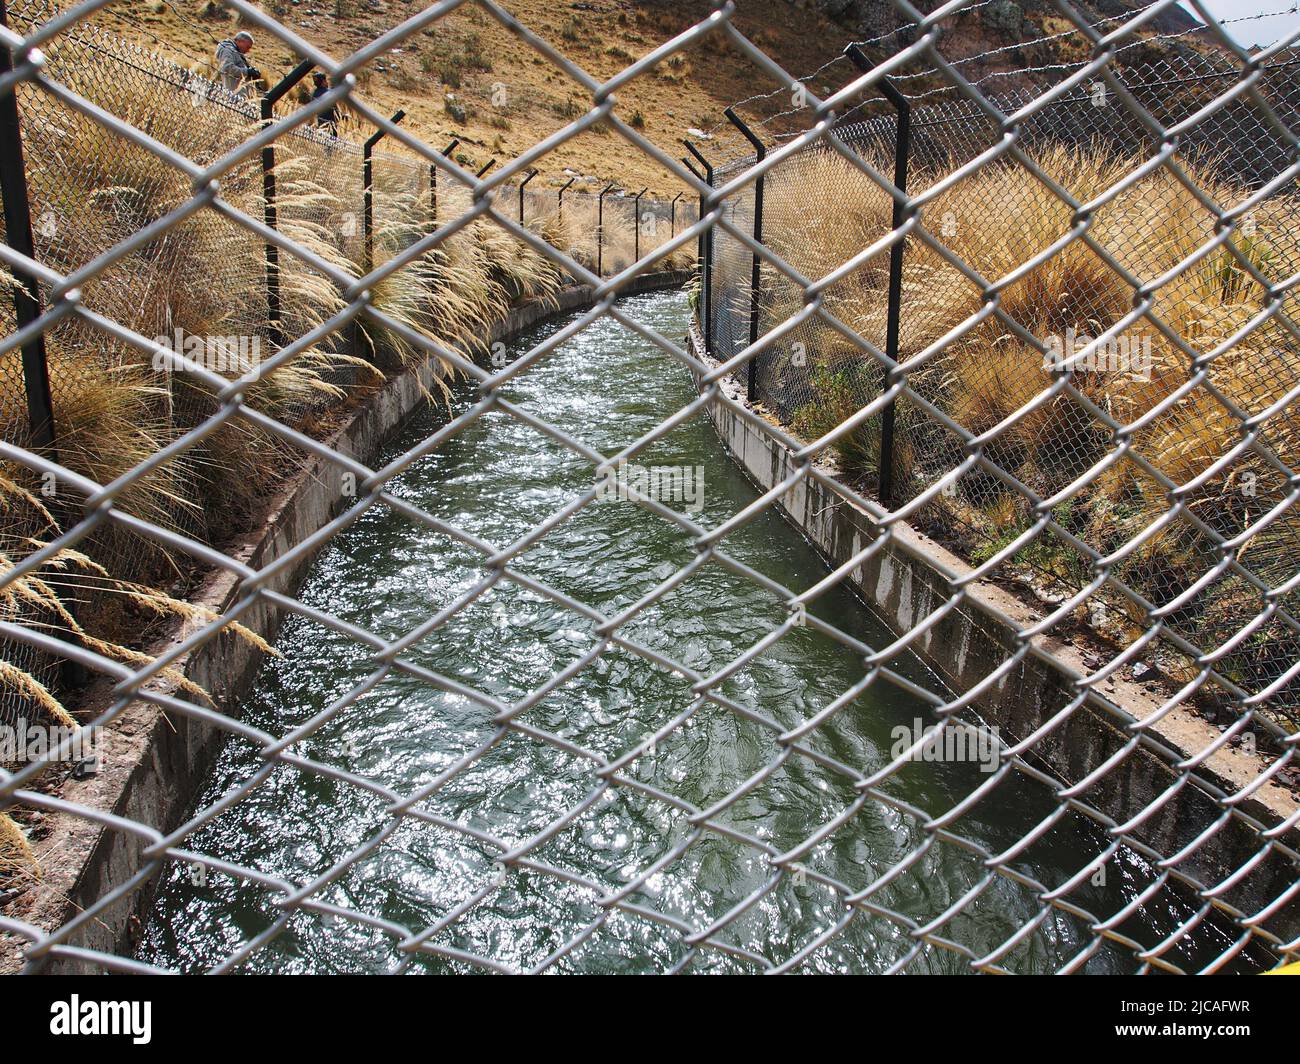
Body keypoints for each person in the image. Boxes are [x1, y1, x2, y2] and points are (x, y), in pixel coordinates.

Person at [215, 31, 260, 95]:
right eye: (248, 47)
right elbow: (227, 68)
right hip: (232, 93)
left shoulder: (236, 51)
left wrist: (251, 72)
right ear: (240, 41)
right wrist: (248, 72)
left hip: (237, 92)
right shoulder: (227, 50)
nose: (248, 50)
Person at [309, 71, 339, 135]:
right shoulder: (330, 93)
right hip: (331, 126)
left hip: (320, 125)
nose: (327, 82)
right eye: (326, 80)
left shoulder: (313, 94)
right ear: (323, 81)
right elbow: (336, 112)